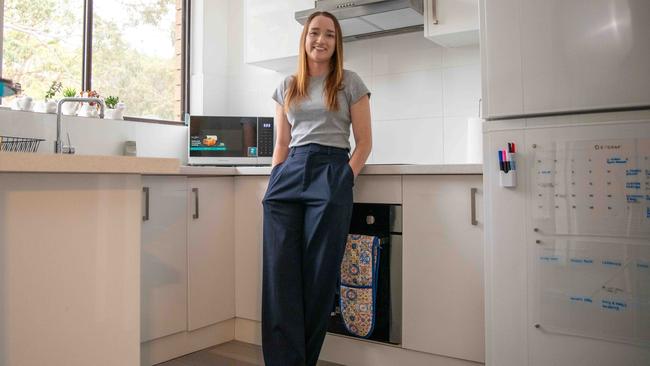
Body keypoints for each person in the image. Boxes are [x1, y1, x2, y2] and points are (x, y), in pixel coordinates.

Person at [261, 10, 372, 366]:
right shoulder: (287, 85)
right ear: (304, 38)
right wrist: (273, 181)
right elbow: (281, 143)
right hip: (289, 173)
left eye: (328, 34)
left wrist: (345, 178)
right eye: (314, 33)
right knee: (281, 276)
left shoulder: (349, 82)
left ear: (336, 43)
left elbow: (365, 143)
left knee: (318, 276)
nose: (320, 40)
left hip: (331, 171)